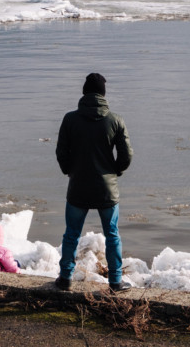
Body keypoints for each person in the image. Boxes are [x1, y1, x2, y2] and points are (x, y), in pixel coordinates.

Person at [55, 73, 134, 292]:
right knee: (112, 235)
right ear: (103, 95)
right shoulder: (115, 120)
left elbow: (61, 152)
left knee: (71, 234)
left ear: (84, 92)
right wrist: (115, 171)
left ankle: (65, 279)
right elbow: (126, 155)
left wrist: (70, 171)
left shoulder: (70, 119)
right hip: (106, 190)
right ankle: (115, 282)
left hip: (78, 187)